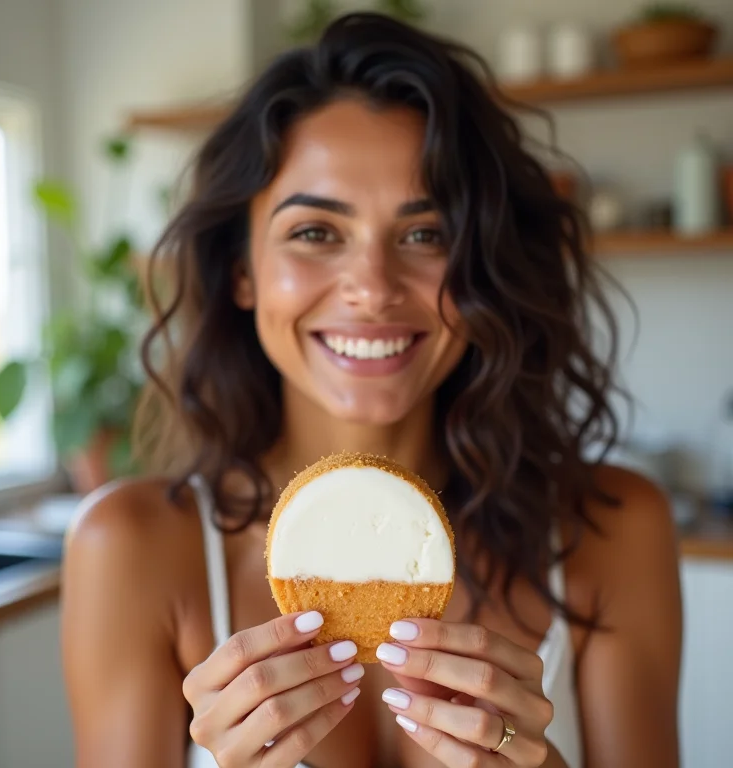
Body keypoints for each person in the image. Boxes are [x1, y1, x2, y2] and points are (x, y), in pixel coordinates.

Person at [61, 13, 682, 768]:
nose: (373, 287)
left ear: (483, 268)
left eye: (426, 234)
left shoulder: (614, 534)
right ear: (243, 271)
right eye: (315, 233)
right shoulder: (130, 548)